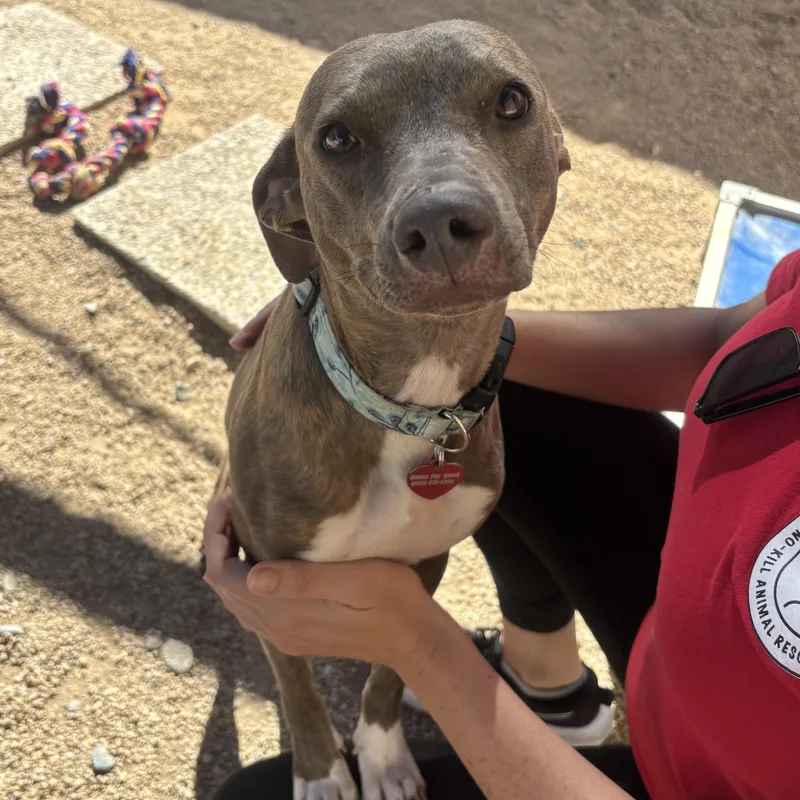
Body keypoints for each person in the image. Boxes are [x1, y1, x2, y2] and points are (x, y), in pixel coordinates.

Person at [204, 248, 800, 800]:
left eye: (511, 121)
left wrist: (420, 647)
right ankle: (548, 686)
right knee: (473, 389)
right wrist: (426, 333)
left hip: (697, 782)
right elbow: (733, 335)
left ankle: (387, 718)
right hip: (673, 602)